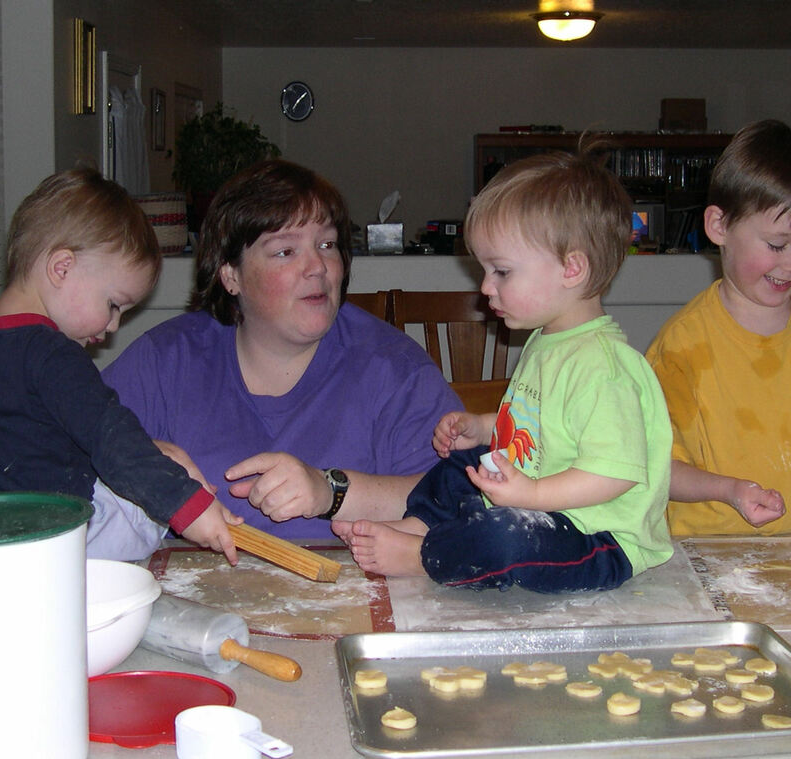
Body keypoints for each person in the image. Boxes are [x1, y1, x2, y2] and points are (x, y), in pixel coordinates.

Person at [334, 147, 673, 591]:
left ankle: (425, 555)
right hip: (541, 504)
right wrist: (484, 427)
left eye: (502, 271)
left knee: (508, 539)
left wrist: (531, 498)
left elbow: (615, 472)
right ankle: (416, 526)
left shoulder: (604, 367)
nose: (485, 286)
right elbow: (546, 424)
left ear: (572, 268)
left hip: (596, 537)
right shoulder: (548, 340)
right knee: (463, 465)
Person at [102, 159, 460, 541]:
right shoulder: (165, 359)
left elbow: (464, 494)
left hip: (347, 594)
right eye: (285, 252)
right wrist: (137, 457)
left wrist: (332, 491)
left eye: (327, 245)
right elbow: (54, 453)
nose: (318, 267)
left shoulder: (394, 368)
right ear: (230, 275)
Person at [0, 168, 240, 562]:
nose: (112, 327)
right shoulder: (55, 356)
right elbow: (113, 439)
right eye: (113, 305)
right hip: (54, 542)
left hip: (1, 539)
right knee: (139, 511)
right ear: (62, 268)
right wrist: (188, 507)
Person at [646, 119, 791, 537]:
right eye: (777, 245)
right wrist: (730, 490)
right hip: (711, 554)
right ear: (719, 227)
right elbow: (658, 468)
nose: (789, 262)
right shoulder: (680, 346)